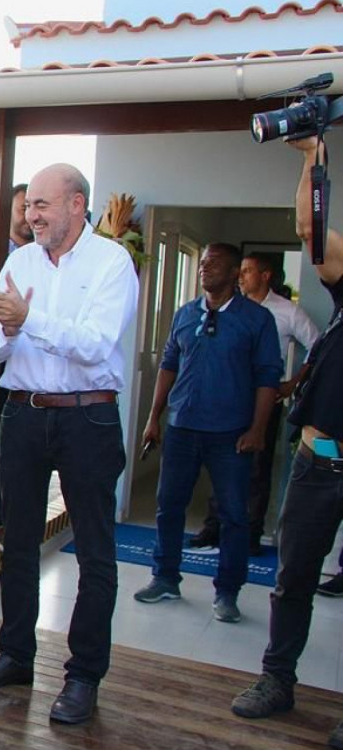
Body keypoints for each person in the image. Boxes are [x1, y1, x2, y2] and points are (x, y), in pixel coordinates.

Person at [0, 164, 139, 725]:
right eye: (28, 205)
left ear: (77, 205)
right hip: (24, 416)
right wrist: (10, 328)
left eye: (42, 204)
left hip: (88, 419)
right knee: (15, 543)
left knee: (94, 552)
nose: (31, 214)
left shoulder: (112, 263)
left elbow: (93, 345)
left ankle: (84, 677)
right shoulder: (20, 261)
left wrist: (28, 319)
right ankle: (15, 655)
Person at [231, 135, 343, 749]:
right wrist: (310, 161)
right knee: (292, 578)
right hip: (319, 462)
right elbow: (314, 232)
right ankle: (277, 680)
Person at [133, 242, 281, 622]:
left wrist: (258, 429)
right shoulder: (185, 314)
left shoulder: (256, 320)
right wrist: (154, 418)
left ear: (235, 273)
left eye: (214, 263)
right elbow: (168, 365)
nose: (204, 268)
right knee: (169, 506)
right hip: (181, 428)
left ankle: (227, 592)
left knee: (234, 514)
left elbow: (268, 378)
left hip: (231, 433)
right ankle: (165, 577)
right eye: (202, 263)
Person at [187, 252, 320, 554]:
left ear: (265, 275)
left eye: (248, 271)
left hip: (263, 400)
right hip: (227, 399)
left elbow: (317, 345)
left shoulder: (287, 312)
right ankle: (213, 528)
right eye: (241, 270)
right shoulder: (227, 308)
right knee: (220, 462)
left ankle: (250, 534)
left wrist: (292, 382)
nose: (242, 276)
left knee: (257, 469)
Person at [0, 182, 31, 541]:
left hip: (34, 375)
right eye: (24, 208)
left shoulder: (46, 257)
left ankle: (4, 518)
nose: (31, 216)